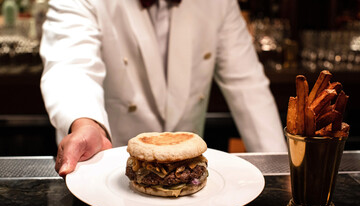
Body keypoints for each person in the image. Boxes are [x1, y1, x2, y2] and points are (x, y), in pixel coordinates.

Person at [40, 0, 287, 177]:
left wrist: (283, 170)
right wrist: (86, 124)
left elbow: (248, 85)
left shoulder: (219, 4)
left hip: (190, 185)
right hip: (106, 176)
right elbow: (70, 66)